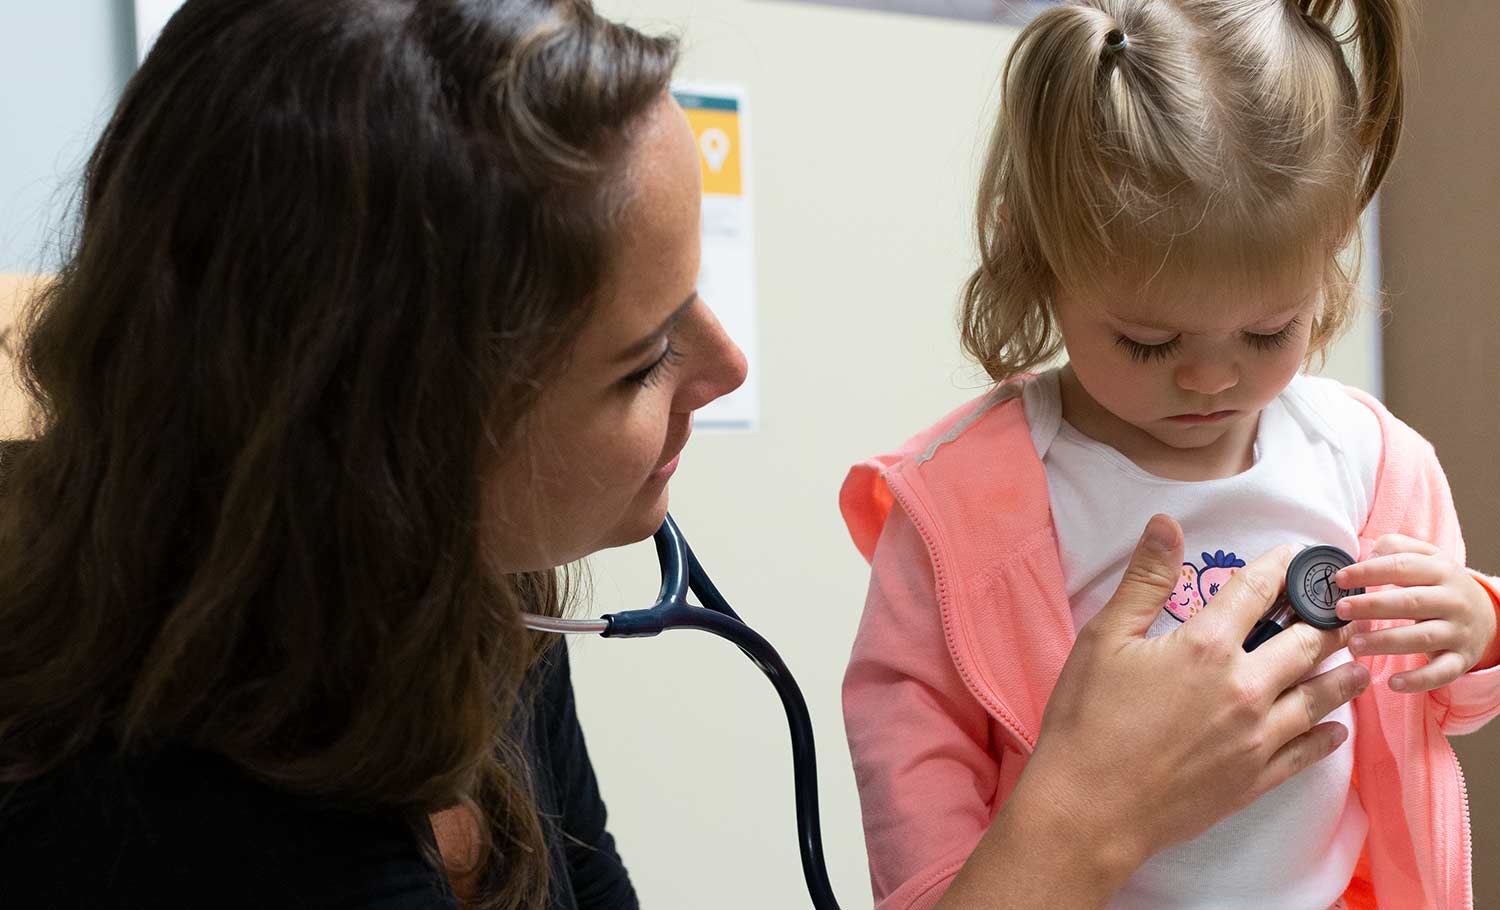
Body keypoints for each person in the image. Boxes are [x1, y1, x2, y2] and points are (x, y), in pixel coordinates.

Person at [0, 1, 1376, 908]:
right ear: (390, 442)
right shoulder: (173, 843)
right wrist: (1077, 823)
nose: (724, 371)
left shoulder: (472, 612)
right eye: (643, 356)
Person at [840, 1, 1500, 909]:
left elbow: (1434, 698)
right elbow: (912, 761)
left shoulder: (1372, 463)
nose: (1211, 379)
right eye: (1148, 342)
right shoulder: (964, 504)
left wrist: (1475, 626)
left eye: (1269, 331)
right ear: (1043, 262)